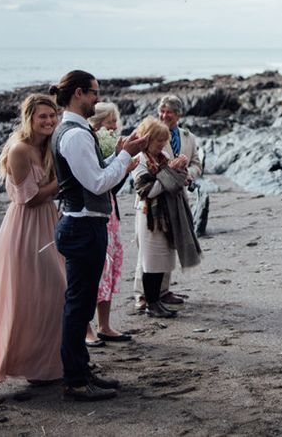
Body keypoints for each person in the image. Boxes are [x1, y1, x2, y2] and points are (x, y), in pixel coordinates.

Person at [50, 70, 148, 401]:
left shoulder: (77, 132)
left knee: (81, 305)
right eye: (94, 92)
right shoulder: (74, 135)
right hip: (82, 226)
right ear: (78, 93)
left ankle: (81, 371)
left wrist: (123, 153)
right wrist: (122, 157)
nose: (97, 98)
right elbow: (96, 183)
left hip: (84, 225)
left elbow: (93, 174)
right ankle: (76, 380)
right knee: (78, 307)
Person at [0, 94, 65, 386]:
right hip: (26, 228)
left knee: (51, 295)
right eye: (43, 117)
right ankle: (28, 362)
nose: (49, 121)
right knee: (44, 291)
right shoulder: (19, 150)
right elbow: (29, 198)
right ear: (29, 119)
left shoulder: (51, 146)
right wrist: (62, 181)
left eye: (52, 116)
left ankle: (48, 364)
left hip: (50, 221)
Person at [134, 95, 203, 311]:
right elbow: (149, 181)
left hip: (177, 197)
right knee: (147, 254)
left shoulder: (188, 137)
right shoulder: (146, 144)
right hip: (151, 205)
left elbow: (197, 164)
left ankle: (162, 292)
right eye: (161, 111)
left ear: (179, 114)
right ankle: (142, 296)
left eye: (169, 112)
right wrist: (172, 172)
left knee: (166, 248)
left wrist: (187, 174)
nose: (164, 115)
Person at [85, 102, 135, 347]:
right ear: (97, 124)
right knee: (93, 273)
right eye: (111, 122)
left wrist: (124, 170)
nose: (115, 127)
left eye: (116, 122)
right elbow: (99, 183)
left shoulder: (109, 144)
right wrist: (119, 162)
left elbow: (112, 188)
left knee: (109, 268)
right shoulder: (89, 144)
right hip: (94, 215)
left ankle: (104, 324)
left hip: (111, 213)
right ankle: (87, 328)